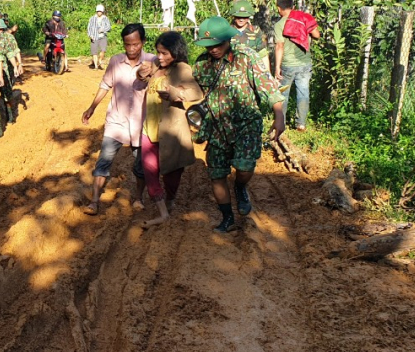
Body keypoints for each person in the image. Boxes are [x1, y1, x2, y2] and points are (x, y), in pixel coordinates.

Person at [191, 16, 285, 233]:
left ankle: (241, 186)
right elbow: (194, 89)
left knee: (244, 167)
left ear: (228, 40)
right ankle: (227, 218)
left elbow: (267, 87)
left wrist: (279, 116)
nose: (213, 50)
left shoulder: (246, 57)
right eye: (209, 46)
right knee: (216, 174)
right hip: (216, 126)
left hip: (245, 125)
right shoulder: (201, 64)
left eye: (218, 45)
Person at [81, 23, 155, 216]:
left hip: (141, 125)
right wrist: (92, 107)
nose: (131, 49)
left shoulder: (153, 62)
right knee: (103, 162)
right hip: (116, 122)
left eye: (136, 44)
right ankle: (95, 201)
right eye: (127, 44)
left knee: (141, 167)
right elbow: (105, 85)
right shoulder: (115, 61)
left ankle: (138, 198)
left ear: (143, 42)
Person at [136, 31, 203, 226]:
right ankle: (163, 212)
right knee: (150, 171)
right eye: (158, 52)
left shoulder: (182, 69)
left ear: (176, 52)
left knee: (172, 175)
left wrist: (175, 93)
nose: (160, 57)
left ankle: (169, 201)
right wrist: (140, 74)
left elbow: (196, 92)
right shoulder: (156, 65)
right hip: (149, 128)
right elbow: (142, 76)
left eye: (165, 53)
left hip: (171, 130)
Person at [273, 0, 320, 132]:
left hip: (288, 65)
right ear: (292, 6)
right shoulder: (303, 19)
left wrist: (277, 67)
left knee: (283, 94)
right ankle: (301, 124)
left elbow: (279, 46)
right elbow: (316, 35)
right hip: (305, 64)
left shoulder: (279, 24)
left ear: (279, 8)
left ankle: (281, 122)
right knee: (303, 92)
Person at [0, 17, 22, 123]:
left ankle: (10, 113)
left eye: (1, 29)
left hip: (6, 69)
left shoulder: (9, 37)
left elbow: (15, 51)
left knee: (7, 93)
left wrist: (19, 64)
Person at [230, 0, 269, 72]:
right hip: (231, 73)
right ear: (234, 16)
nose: (241, 19)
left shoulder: (255, 31)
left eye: (244, 17)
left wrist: (267, 74)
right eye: (238, 17)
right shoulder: (226, 31)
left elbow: (263, 54)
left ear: (248, 17)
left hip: (251, 72)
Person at [87, 4, 112, 70]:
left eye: (100, 11)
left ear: (102, 12)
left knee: (103, 50)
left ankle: (100, 60)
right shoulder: (92, 18)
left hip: (103, 36)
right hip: (94, 37)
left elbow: (109, 27)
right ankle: (96, 66)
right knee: (94, 52)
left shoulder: (105, 18)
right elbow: (89, 28)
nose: (99, 12)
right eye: (98, 11)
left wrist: (103, 30)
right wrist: (90, 35)